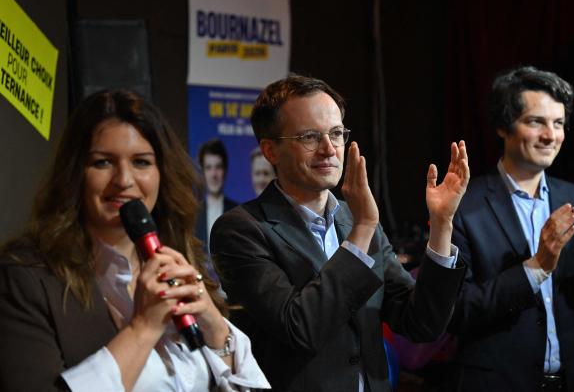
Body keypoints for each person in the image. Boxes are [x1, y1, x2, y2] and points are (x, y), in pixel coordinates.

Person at [211, 74, 468, 392]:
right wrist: (361, 230)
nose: (329, 149)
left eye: (336, 134)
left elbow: (421, 323)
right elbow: (300, 328)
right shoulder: (242, 229)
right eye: (309, 137)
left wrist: (442, 224)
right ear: (270, 150)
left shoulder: (354, 217)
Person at [0, 90, 270, 391]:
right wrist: (144, 327)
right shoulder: (27, 276)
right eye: (103, 163)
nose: (124, 180)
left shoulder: (177, 260)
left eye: (141, 162)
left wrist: (215, 328)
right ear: (74, 174)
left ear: (161, 173)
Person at [449, 66, 574, 391]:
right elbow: (454, 313)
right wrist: (535, 267)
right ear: (503, 127)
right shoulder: (463, 205)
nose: (551, 135)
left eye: (559, 123)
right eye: (536, 122)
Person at [195, 139, 238, 247]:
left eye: (218, 167)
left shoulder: (238, 213)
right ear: (203, 172)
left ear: (225, 170)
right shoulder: (194, 214)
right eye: (208, 168)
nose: (214, 174)